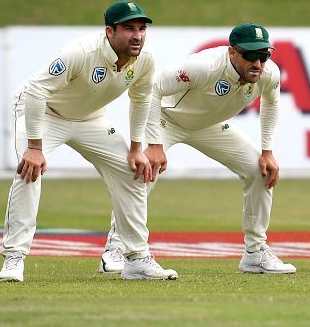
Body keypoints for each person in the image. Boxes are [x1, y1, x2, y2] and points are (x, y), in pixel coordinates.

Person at [0, 0, 178, 282]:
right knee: (29, 173)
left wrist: (135, 148)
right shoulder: (81, 52)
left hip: (90, 119)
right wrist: (34, 147)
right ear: (110, 31)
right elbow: (36, 91)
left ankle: (135, 259)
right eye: (129, 28)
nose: (137, 35)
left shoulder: (145, 58)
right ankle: (14, 257)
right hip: (45, 113)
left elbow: (141, 98)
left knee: (134, 172)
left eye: (142, 29)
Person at [101, 22, 296, 274]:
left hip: (209, 126)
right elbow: (154, 88)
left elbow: (271, 104)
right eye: (250, 56)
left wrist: (267, 151)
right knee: (143, 173)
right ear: (232, 53)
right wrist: (155, 143)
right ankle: (115, 247)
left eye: (263, 56)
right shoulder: (204, 67)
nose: (257, 64)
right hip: (167, 120)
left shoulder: (269, 73)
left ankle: (255, 252)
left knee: (259, 170)